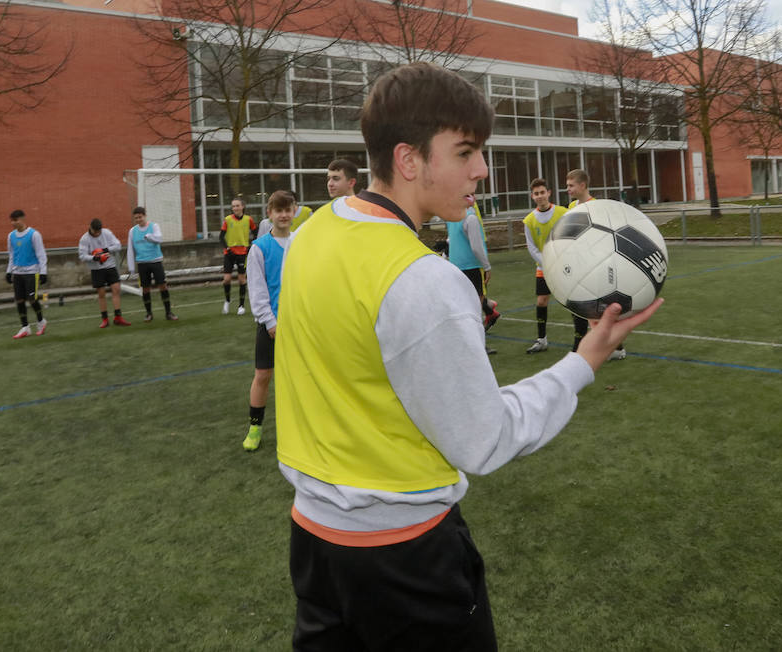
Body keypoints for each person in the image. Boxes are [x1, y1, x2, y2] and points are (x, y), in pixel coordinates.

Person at [274, 63, 660, 648]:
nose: (482, 168)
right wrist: (584, 361)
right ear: (408, 160)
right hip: (403, 558)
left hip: (313, 543)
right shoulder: (422, 279)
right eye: (465, 151)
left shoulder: (314, 232)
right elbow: (485, 437)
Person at [241, 190, 296, 453]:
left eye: (288, 209)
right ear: (269, 213)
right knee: (263, 375)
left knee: (300, 377)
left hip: (299, 324)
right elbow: (258, 289)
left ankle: (301, 429)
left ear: (294, 211)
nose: (284, 215)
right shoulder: (259, 248)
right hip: (271, 325)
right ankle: (255, 428)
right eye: (279, 210)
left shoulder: (302, 242)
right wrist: (270, 322)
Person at [565, 169, 617, 357]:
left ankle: (616, 346)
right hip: (577, 266)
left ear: (582, 185)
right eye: (567, 185)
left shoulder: (598, 207)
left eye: (571, 185)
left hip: (596, 266)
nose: (568, 189)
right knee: (577, 306)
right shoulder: (571, 207)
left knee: (600, 308)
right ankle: (578, 346)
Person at [523, 178, 568, 354]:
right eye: (536, 193)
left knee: (574, 301)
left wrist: (559, 261)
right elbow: (532, 247)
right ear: (532, 196)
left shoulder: (563, 213)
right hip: (544, 268)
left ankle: (581, 340)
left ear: (549, 193)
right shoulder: (529, 221)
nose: (540, 196)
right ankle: (542, 340)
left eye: (542, 192)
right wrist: (547, 263)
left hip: (565, 266)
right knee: (542, 301)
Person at [445, 200, 500, 337]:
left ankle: (488, 309)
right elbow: (476, 247)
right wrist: (487, 266)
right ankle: (479, 341)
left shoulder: (451, 218)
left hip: (456, 266)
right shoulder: (471, 218)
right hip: (471, 267)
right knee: (474, 307)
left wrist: (445, 256)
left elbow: (450, 240)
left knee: (465, 305)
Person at [127, 206, 179, 322]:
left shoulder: (153, 226)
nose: (138, 220)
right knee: (145, 289)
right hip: (142, 263)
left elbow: (159, 239)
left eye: (140, 217)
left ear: (145, 216)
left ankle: (168, 312)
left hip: (156, 261)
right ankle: (149, 313)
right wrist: (131, 267)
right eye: (136, 218)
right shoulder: (132, 231)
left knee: (163, 285)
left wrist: (150, 237)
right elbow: (130, 249)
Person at [79, 218, 129, 328]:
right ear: (90, 228)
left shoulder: (107, 233)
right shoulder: (84, 239)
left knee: (116, 289)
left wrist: (106, 250)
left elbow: (118, 245)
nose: (97, 234)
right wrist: (94, 258)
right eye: (95, 231)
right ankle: (105, 319)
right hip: (96, 270)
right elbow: (82, 256)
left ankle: (118, 317)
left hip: (110, 266)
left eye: (99, 231)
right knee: (101, 294)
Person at [6, 210, 48, 339]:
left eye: (16, 220)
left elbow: (41, 254)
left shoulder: (34, 235)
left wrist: (43, 272)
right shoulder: (10, 236)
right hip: (17, 273)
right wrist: (9, 271)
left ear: (22, 219)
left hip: (31, 272)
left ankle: (41, 321)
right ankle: (25, 327)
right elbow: (11, 255)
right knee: (19, 301)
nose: (13, 223)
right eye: (12, 220)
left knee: (32, 299)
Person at [220, 197, 257, 315]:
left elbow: (256, 233)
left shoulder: (248, 219)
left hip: (242, 254)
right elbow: (221, 237)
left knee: (242, 280)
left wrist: (251, 246)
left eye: (237, 205)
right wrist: (227, 248)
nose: (235, 208)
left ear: (242, 207)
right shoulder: (227, 220)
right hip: (229, 254)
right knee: (226, 279)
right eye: (233, 206)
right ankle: (227, 300)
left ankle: (241, 306)